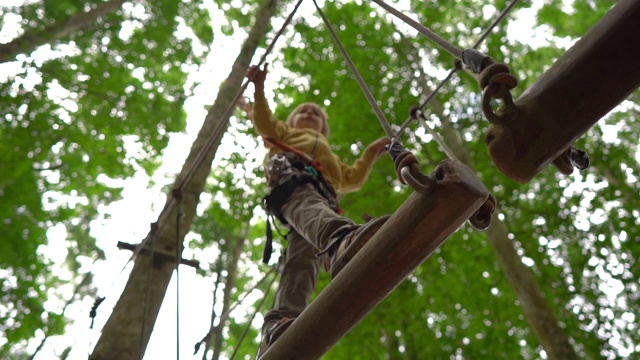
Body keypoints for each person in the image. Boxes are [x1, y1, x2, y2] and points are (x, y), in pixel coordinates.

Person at [246, 64, 390, 358]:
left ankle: (279, 326)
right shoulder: (283, 133)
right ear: (293, 121)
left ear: (324, 128)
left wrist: (372, 151)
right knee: (312, 214)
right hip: (292, 185)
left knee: (302, 262)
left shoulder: (331, 158)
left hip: (318, 204)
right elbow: (263, 121)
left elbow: (353, 178)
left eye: (316, 114)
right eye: (303, 112)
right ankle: (341, 240)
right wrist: (259, 88)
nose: (310, 114)